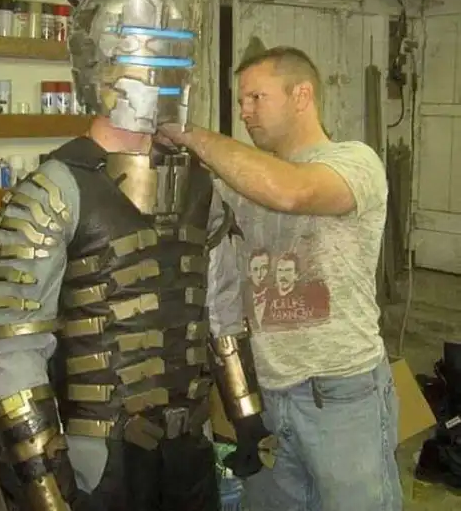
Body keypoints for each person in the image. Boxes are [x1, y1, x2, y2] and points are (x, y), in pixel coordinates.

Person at [0, 0, 276, 511]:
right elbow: (16, 353)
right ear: (101, 65)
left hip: (189, 447)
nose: (161, 76)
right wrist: (47, 484)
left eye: (173, 58)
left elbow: (221, 313)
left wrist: (246, 415)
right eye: (151, 57)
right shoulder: (52, 192)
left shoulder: (199, 185)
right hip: (99, 455)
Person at [158, 45, 404, 511]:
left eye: (257, 98)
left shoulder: (355, 162)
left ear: (302, 95)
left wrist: (188, 133)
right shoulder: (242, 180)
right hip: (271, 395)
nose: (245, 111)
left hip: (341, 393)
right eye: (241, 101)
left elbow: (292, 192)